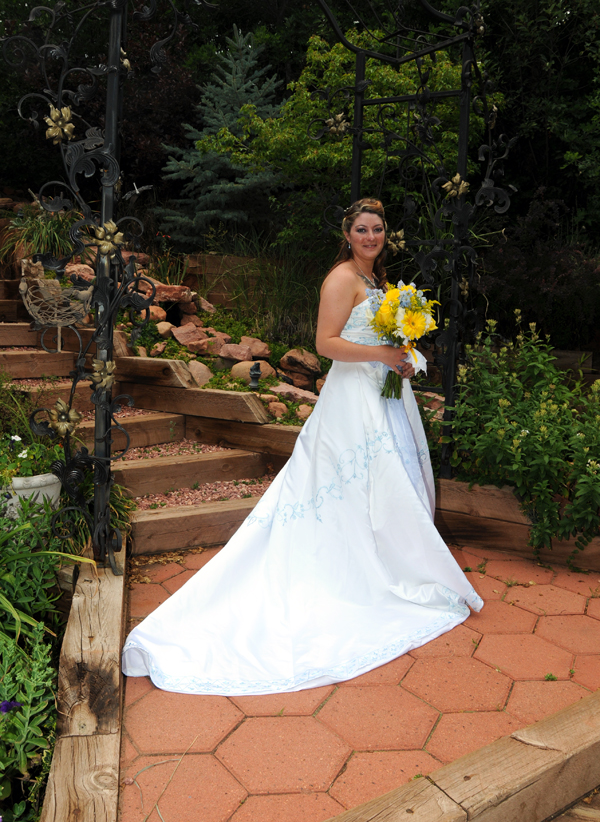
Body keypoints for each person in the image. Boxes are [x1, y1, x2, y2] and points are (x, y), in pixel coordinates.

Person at [121, 197, 483, 695]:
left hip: (383, 395)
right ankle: (359, 570)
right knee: (351, 485)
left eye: (378, 229)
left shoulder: (377, 281)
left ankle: (392, 561)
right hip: (352, 401)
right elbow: (325, 343)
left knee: (383, 481)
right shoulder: (341, 278)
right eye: (362, 229)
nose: (371, 237)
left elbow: (380, 337)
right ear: (348, 233)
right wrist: (382, 352)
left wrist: (402, 357)